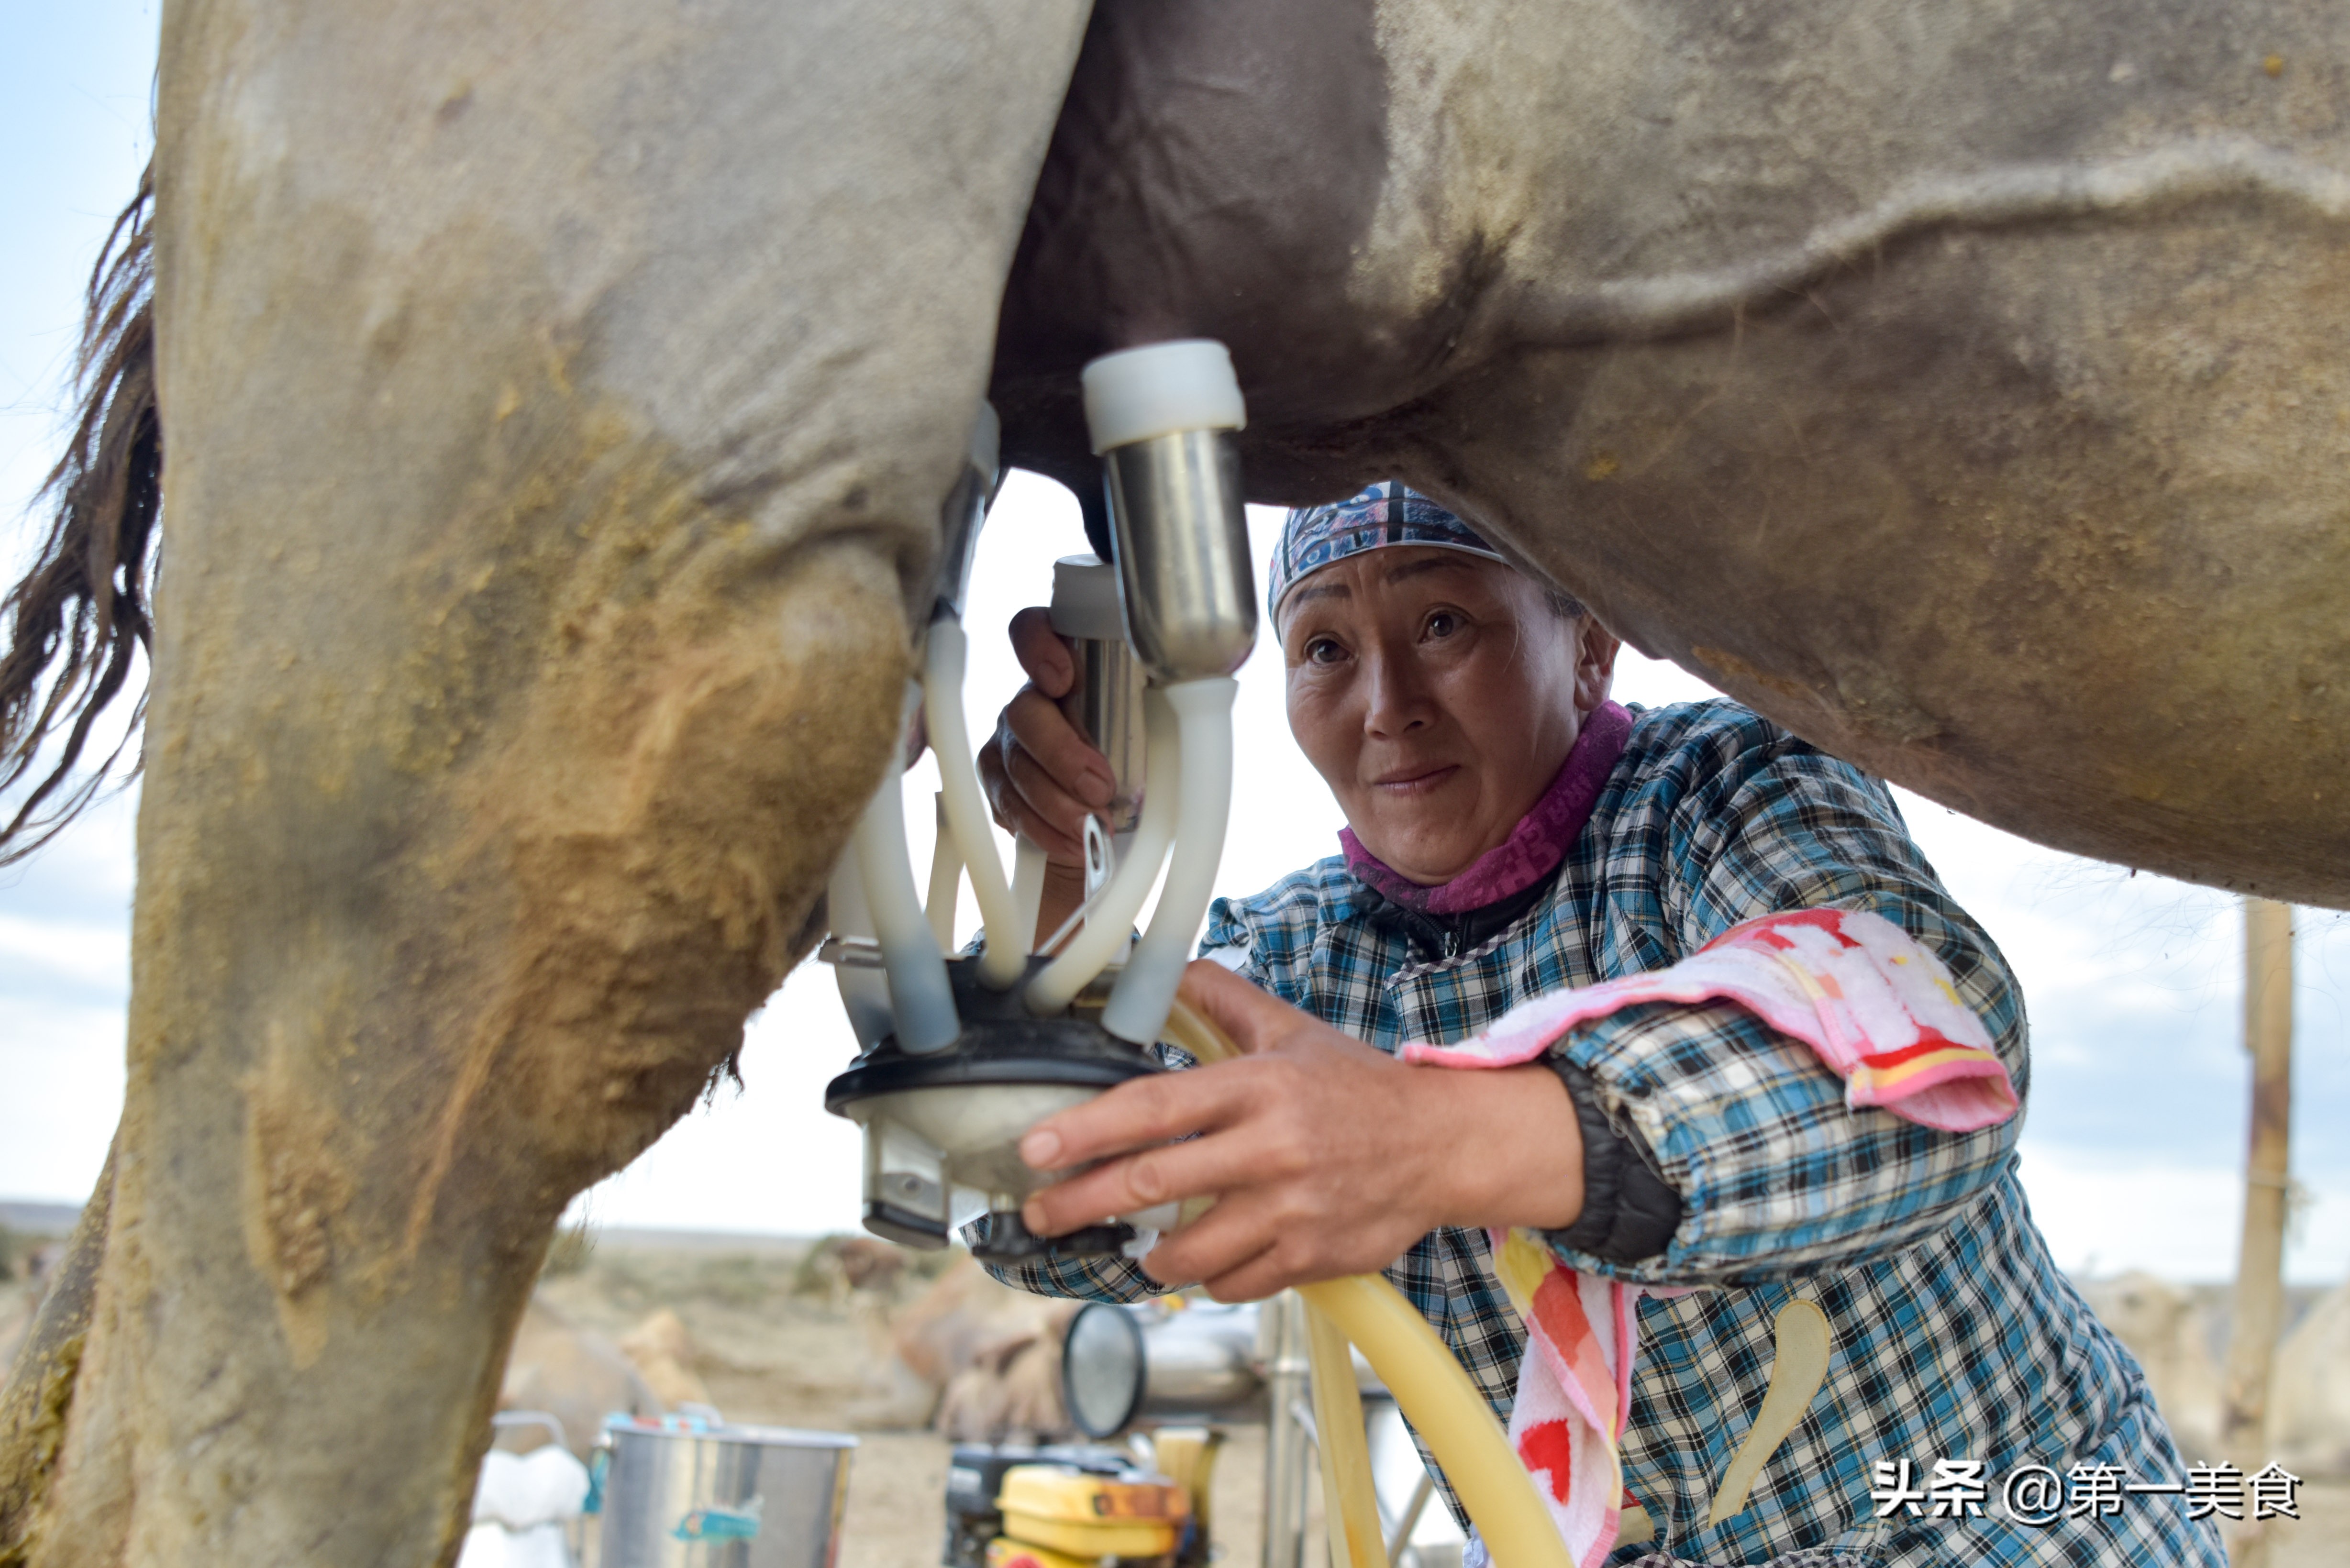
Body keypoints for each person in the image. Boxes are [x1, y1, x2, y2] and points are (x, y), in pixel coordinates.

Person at [975, 482, 2217, 1567]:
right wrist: (1066, 917)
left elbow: (1934, 1052)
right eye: (1325, 649)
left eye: (1444, 623)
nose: (1386, 703)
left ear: (1588, 645)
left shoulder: (1723, 793)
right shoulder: (1295, 962)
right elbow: (1053, 1221)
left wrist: (1429, 1139)